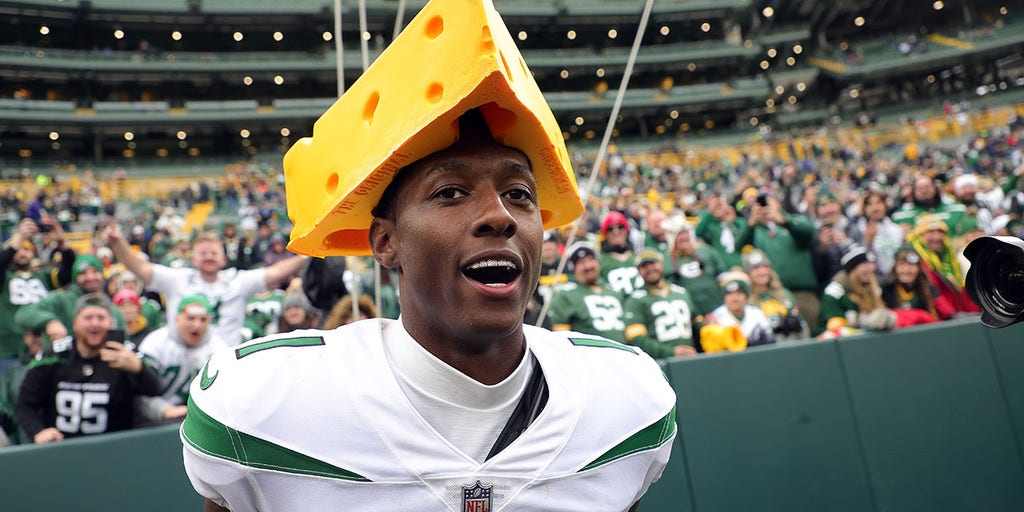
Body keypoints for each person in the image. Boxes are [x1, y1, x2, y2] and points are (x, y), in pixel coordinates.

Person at [180, 4, 675, 507]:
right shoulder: (263, 410)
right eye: (451, 192)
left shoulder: (625, 401)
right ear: (384, 242)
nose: (499, 215)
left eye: (520, 193)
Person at [103, 227, 309, 345]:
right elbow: (141, 269)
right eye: (203, 253)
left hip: (227, 362)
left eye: (214, 253)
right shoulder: (179, 278)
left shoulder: (238, 280)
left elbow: (277, 271)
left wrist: (309, 254)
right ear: (192, 258)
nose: (209, 257)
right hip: (184, 359)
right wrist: (118, 243)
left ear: (224, 258)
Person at [15, 293, 161, 443]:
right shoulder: (55, 355)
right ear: (74, 324)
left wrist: (139, 368)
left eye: (101, 318)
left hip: (113, 447)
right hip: (60, 447)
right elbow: (25, 404)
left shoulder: (124, 354)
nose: (95, 324)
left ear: (111, 324)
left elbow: (155, 390)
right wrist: (38, 431)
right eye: (88, 318)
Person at [136, 295, 228, 426]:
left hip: (202, 423)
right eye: (190, 318)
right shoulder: (155, 342)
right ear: (177, 318)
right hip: (157, 423)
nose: (197, 325)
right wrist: (163, 409)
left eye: (203, 319)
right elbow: (139, 392)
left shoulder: (219, 348)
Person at [734, 191, 820, 332]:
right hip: (772, 294)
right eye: (759, 204)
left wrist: (783, 220)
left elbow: (808, 232)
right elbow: (739, 246)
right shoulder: (755, 230)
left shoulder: (793, 220)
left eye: (768, 201)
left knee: (808, 331)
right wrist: (750, 223)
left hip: (802, 293)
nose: (764, 206)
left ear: (778, 203)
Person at [0, 218, 74, 373]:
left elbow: (68, 273)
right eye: (19, 249)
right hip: (10, 350)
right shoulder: (5, 276)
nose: (22, 252)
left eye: (27, 249)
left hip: (46, 345)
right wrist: (19, 236)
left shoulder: (42, 275)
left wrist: (62, 244)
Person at [14, 254, 124, 347]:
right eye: (83, 273)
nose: (90, 277)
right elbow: (23, 313)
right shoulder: (60, 299)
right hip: (62, 365)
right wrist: (50, 322)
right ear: (75, 277)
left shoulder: (111, 308)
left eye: (95, 271)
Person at [623, 249, 701, 358]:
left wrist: (709, 327)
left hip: (690, 357)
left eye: (653, 263)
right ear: (639, 271)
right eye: (644, 266)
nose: (650, 268)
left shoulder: (682, 293)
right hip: (660, 363)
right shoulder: (635, 300)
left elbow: (697, 323)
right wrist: (670, 352)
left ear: (662, 264)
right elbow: (636, 339)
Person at [547, 243, 626, 342]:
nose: (588, 266)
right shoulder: (565, 295)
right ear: (573, 268)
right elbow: (561, 339)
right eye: (581, 262)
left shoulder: (615, 291)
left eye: (591, 260)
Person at [906, 215, 980, 317]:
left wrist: (974, 313)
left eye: (940, 232)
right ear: (919, 236)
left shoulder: (949, 258)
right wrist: (951, 315)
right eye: (930, 232)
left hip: (959, 316)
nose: (936, 237)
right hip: (938, 319)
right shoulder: (917, 260)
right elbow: (932, 292)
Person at [818, 245, 895, 334]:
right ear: (852, 268)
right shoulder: (834, 292)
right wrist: (866, 325)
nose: (870, 267)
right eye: (865, 264)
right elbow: (835, 331)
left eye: (871, 263)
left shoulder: (874, 288)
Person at [664, 217, 725, 317]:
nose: (683, 237)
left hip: (717, 310)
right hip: (688, 315)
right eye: (679, 234)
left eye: (685, 233)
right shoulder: (665, 260)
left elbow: (723, 276)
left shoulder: (707, 251)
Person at [742, 249, 808, 341]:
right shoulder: (744, 300)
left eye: (765, 266)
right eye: (756, 268)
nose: (762, 271)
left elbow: (802, 325)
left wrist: (794, 323)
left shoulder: (784, 294)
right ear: (747, 273)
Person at [704, 272, 774, 349]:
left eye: (739, 293)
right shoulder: (716, 316)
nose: (734, 298)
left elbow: (769, 340)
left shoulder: (756, 314)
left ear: (746, 296)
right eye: (730, 294)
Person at [881, 248, 942, 325]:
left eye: (911, 265)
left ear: (919, 269)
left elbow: (943, 308)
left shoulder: (928, 288)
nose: (906, 270)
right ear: (895, 268)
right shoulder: (886, 289)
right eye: (902, 265)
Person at [598, 210, 641, 296]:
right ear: (605, 234)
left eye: (620, 227)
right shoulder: (599, 261)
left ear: (626, 230)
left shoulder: (639, 257)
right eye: (610, 229)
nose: (616, 232)